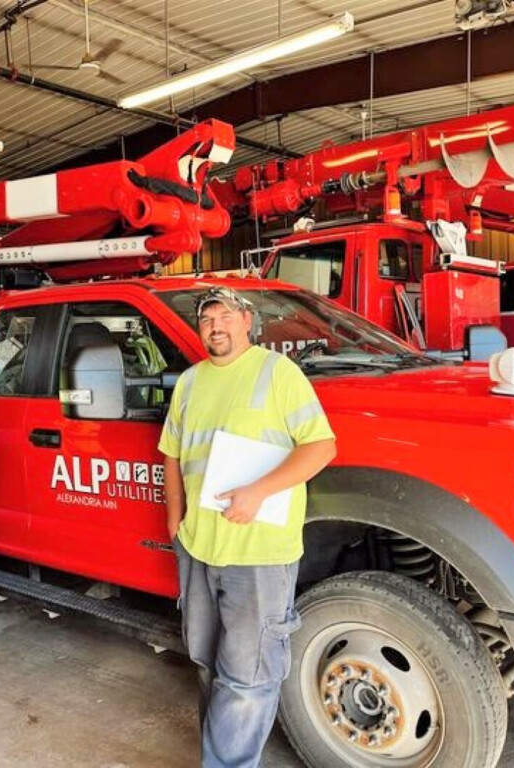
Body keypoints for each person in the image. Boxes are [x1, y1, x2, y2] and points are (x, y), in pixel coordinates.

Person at [159, 286, 337, 767]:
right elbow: (173, 454)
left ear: (245, 320)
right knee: (206, 661)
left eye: (224, 316)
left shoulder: (278, 373)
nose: (215, 326)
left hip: (258, 555)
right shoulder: (191, 382)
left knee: (247, 677)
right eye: (206, 319)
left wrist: (258, 492)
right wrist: (175, 520)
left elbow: (320, 447)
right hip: (199, 548)